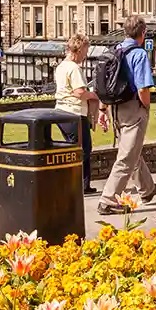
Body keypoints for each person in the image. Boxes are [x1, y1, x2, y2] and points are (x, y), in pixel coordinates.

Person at [98, 15, 156, 215]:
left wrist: (103, 109)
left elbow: (105, 84)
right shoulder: (139, 54)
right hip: (133, 108)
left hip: (114, 108)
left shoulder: (114, 51)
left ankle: (147, 189)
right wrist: (146, 107)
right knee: (127, 156)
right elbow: (143, 88)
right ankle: (108, 200)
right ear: (142, 33)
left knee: (132, 150)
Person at [55, 34, 104, 195]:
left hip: (61, 112)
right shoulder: (74, 68)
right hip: (74, 113)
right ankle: (81, 186)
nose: (86, 55)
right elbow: (79, 93)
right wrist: (95, 95)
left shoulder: (61, 66)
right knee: (83, 150)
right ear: (79, 49)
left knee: (73, 149)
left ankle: (76, 184)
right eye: (85, 51)